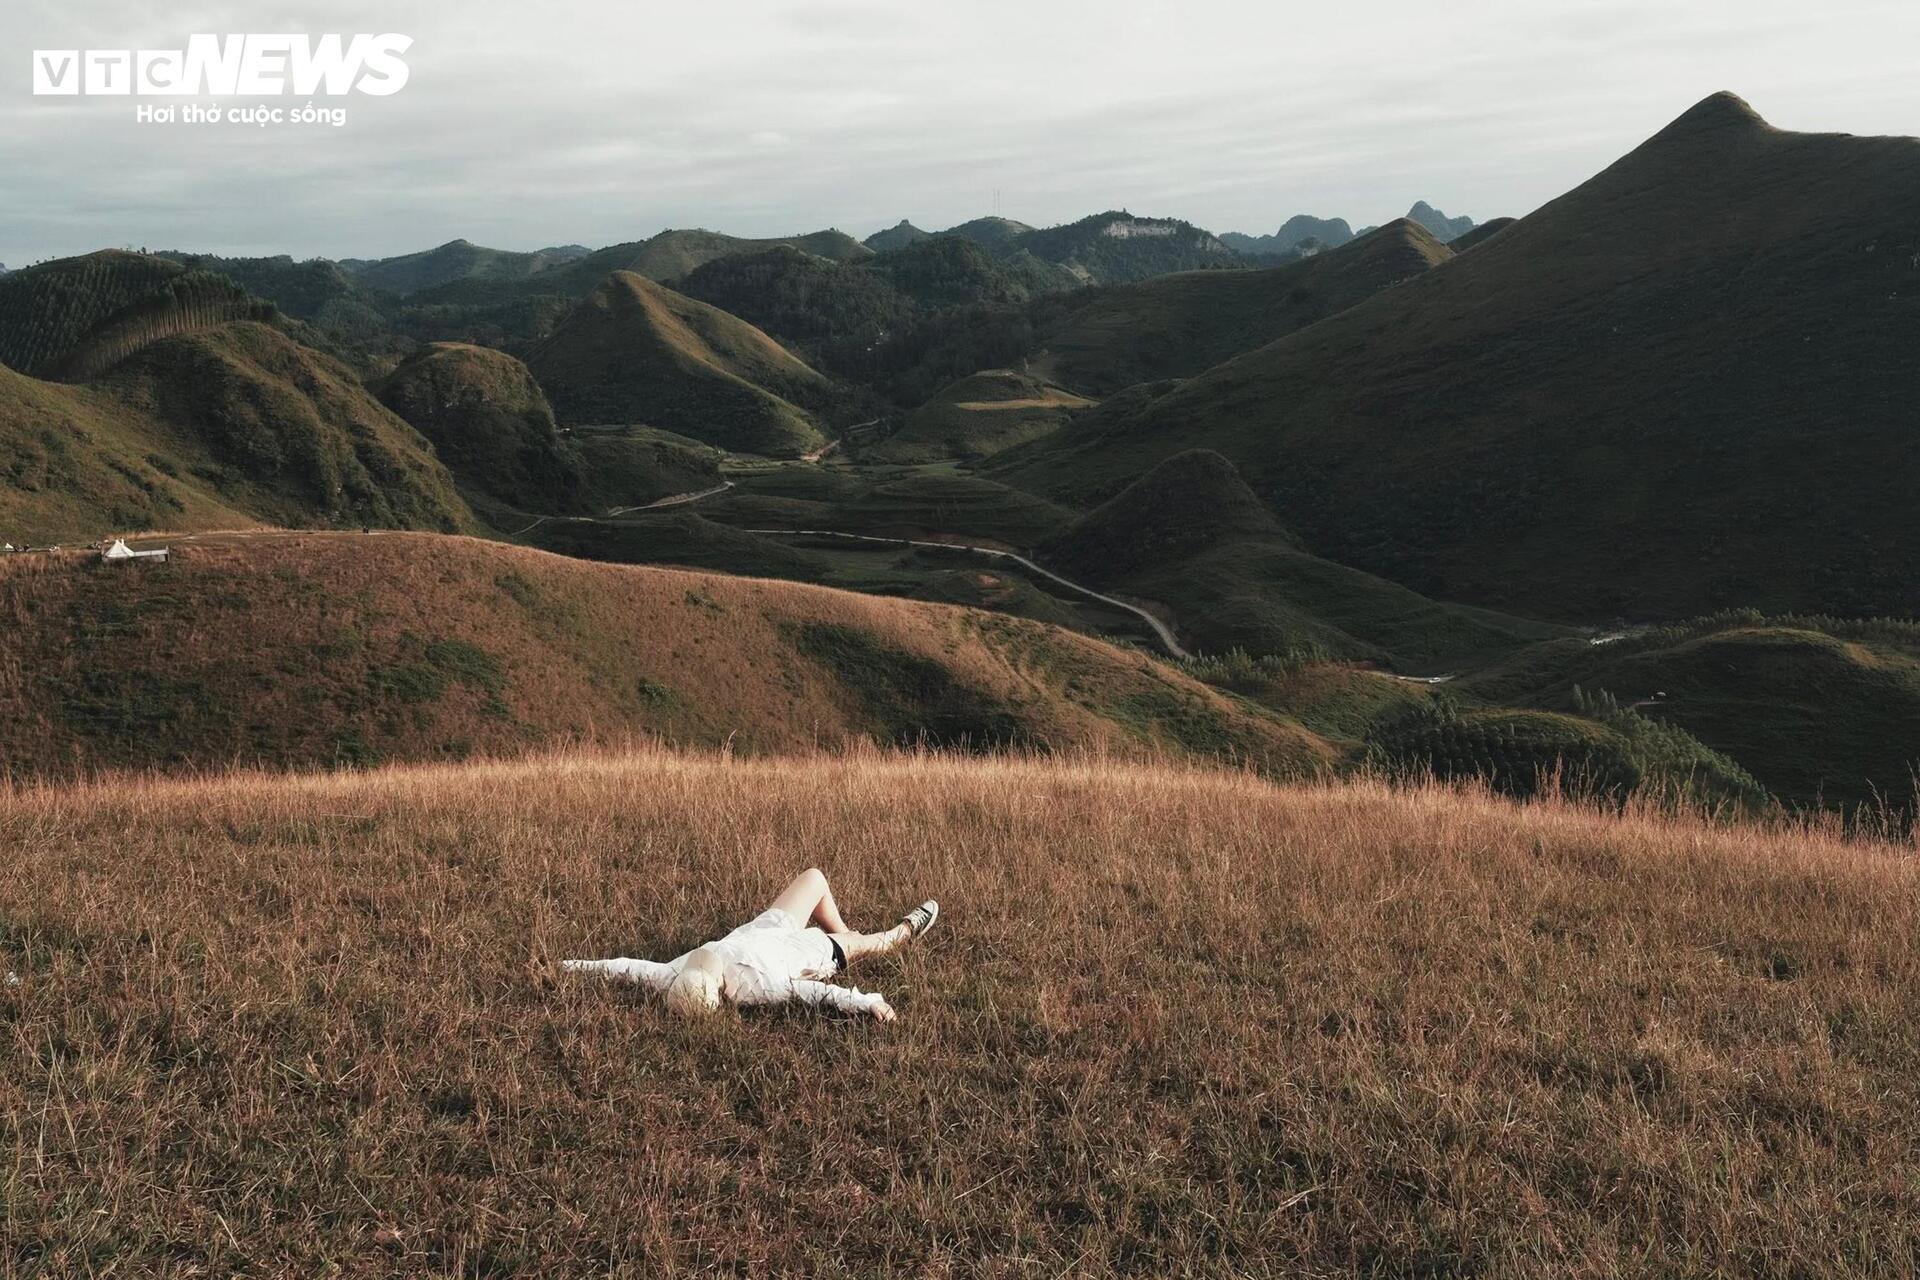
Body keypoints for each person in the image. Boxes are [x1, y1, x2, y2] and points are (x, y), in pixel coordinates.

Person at [562, 867, 938, 1021]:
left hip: (768, 928)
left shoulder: (675, 974)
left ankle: (847, 931)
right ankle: (903, 932)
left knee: (814, 878)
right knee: (872, 942)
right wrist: (867, 1002)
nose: (701, 959)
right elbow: (812, 993)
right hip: (812, 952)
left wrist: (566, 966)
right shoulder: (755, 988)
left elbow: (624, 965)